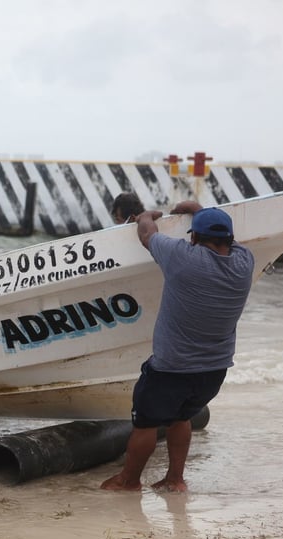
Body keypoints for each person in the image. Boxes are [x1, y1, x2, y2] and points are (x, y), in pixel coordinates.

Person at [101, 201, 255, 492]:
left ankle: (128, 481)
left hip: (171, 368)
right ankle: (175, 479)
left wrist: (144, 217)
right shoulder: (244, 263)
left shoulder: (182, 258)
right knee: (182, 417)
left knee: (145, 423)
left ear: (193, 237)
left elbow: (147, 235)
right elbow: (231, 242)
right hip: (215, 370)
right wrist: (201, 212)